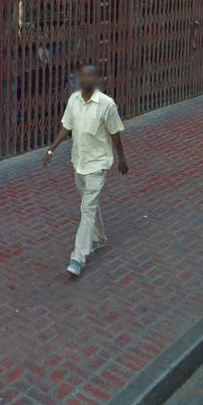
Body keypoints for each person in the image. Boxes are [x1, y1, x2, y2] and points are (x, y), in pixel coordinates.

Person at [42, 62, 129, 278]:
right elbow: (67, 126)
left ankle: (77, 258)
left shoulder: (107, 105)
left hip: (98, 164)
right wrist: (52, 149)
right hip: (79, 162)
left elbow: (115, 134)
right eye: (83, 76)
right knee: (88, 202)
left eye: (90, 76)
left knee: (87, 209)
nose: (86, 79)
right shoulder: (74, 100)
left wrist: (122, 159)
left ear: (97, 79)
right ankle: (99, 238)